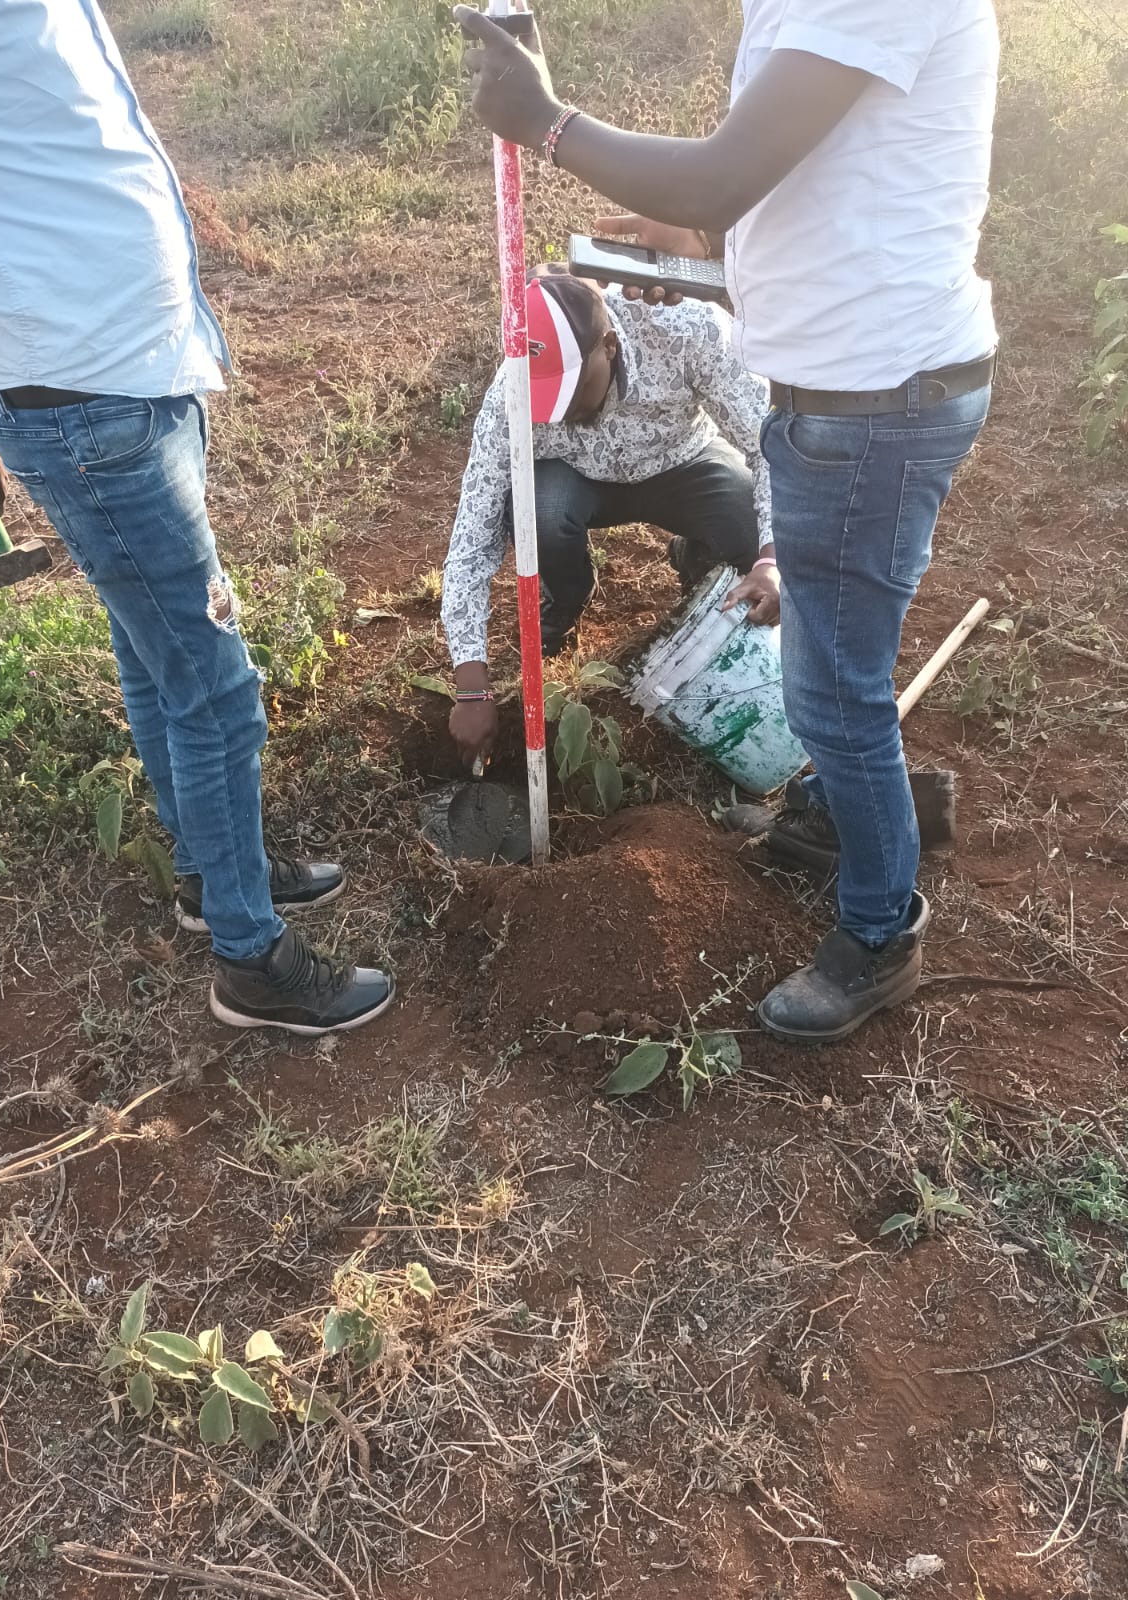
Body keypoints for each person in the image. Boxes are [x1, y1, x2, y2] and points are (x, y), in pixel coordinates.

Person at [455, 0, 999, 1046]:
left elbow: (721, 173)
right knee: (825, 679)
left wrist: (549, 123)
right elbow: (772, 196)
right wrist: (700, 228)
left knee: (835, 695)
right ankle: (844, 814)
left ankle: (880, 930)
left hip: (876, 403)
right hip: (833, 398)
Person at [0, 0, 394, 1036]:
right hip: (84, 398)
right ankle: (250, 954)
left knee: (156, 653)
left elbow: (18, 182)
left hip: (124, 379)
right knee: (216, 683)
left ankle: (210, 869)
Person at [443, 269, 778, 766]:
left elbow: (769, 446)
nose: (557, 415)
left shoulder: (689, 330)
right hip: (575, 481)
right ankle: (566, 595)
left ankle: (700, 557)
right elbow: (473, 532)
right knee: (540, 514)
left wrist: (773, 558)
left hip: (682, 462)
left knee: (749, 526)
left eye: (571, 395)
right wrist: (471, 684)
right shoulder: (507, 398)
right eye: (543, 403)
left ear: (610, 346)